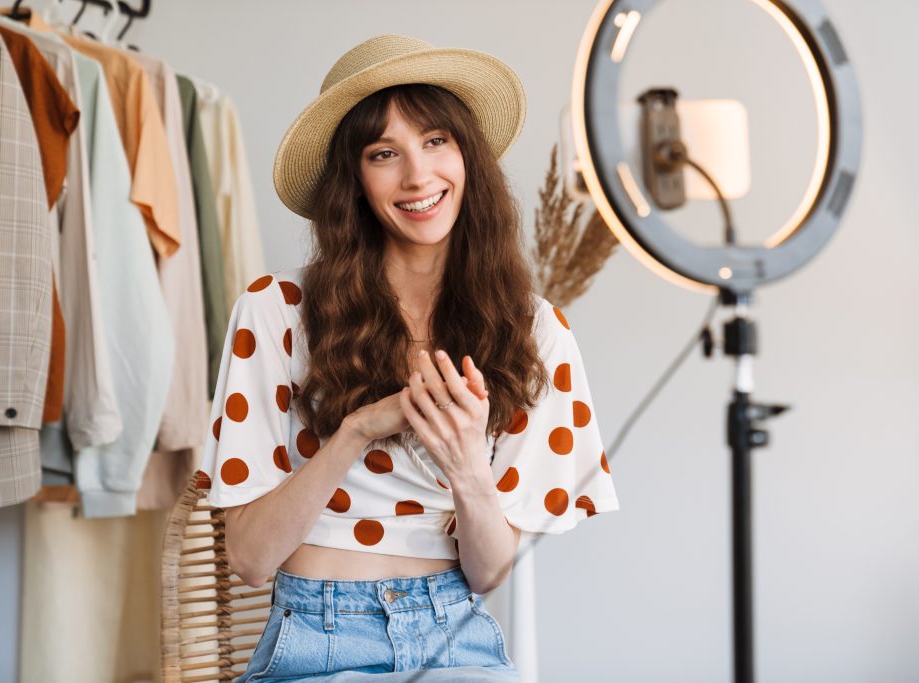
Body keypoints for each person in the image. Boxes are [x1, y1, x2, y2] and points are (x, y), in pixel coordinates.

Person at [199, 34, 620, 682]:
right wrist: (356, 430)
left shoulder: (534, 330)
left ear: (467, 155)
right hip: (318, 639)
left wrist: (467, 466)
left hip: (457, 637)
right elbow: (251, 560)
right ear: (354, 180)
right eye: (384, 153)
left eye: (435, 140)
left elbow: (490, 572)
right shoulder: (277, 311)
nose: (418, 176)